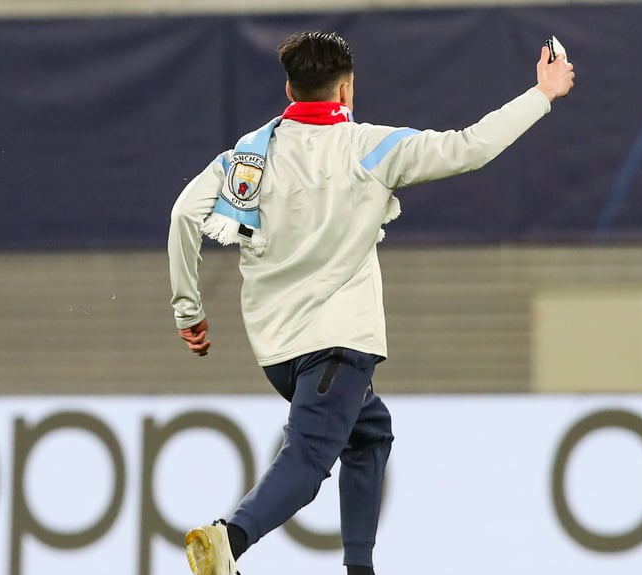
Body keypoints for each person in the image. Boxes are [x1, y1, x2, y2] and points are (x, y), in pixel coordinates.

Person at [168, 32, 574, 575]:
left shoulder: (247, 158)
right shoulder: (373, 148)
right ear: (346, 89)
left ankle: (359, 565)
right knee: (309, 458)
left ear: (290, 87)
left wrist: (188, 311)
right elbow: (469, 146)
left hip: (277, 351)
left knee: (369, 432)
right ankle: (229, 540)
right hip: (338, 342)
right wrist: (541, 94)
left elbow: (181, 217)